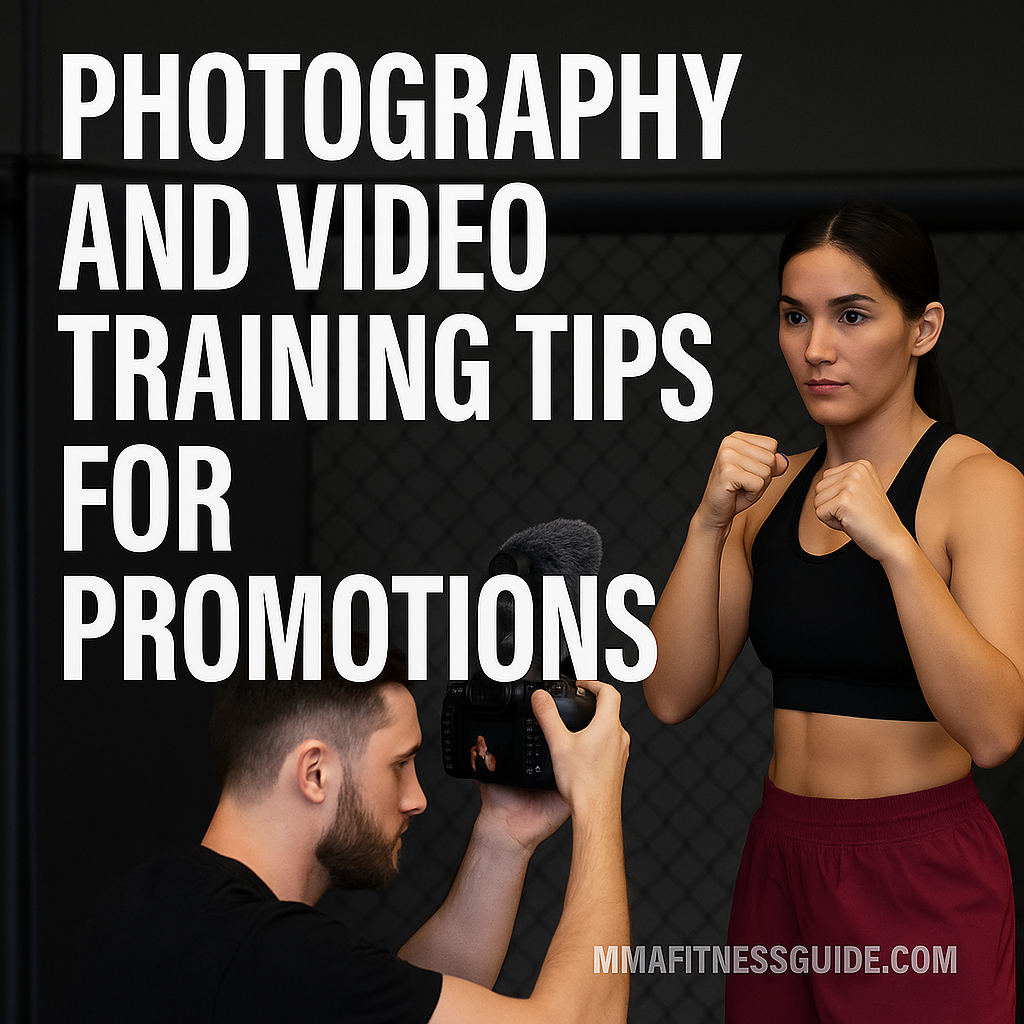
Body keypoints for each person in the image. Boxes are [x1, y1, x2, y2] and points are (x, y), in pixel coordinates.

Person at [644, 201, 1024, 1023]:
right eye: (795, 317)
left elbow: (995, 732)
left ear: (923, 330)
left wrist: (895, 548)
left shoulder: (979, 486)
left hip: (919, 865)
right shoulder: (771, 492)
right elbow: (670, 694)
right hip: (784, 858)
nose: (816, 348)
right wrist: (708, 521)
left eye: (852, 316)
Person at [69, 633, 630, 1023]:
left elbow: (389, 1001)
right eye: (398, 766)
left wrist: (504, 838)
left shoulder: (154, 907)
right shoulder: (275, 957)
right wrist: (598, 799)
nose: (417, 799)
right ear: (315, 772)